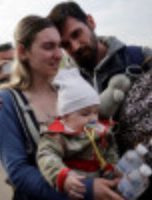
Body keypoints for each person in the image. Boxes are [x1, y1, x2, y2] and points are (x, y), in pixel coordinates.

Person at [0, 1, 152, 199]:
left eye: (76, 35)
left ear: (91, 22)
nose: (73, 47)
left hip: (150, 183)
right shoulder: (70, 81)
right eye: (63, 44)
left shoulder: (137, 58)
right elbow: (19, 161)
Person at [0, 15, 123, 200]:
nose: (59, 54)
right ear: (22, 52)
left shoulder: (69, 85)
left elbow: (96, 130)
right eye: (48, 47)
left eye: (59, 46)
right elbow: (18, 172)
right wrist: (86, 189)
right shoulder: (7, 101)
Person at [38, 67, 118, 199]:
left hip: (101, 183)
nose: (93, 118)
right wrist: (64, 177)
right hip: (76, 188)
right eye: (85, 114)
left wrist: (111, 166)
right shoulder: (57, 136)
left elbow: (109, 148)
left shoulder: (98, 130)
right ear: (65, 116)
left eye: (96, 112)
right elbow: (46, 156)